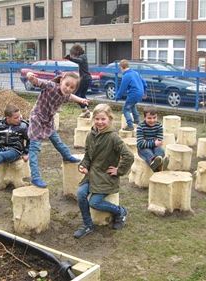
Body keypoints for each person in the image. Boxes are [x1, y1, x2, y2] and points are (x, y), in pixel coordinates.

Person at [74, 104, 134, 239]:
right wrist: (83, 165)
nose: (100, 122)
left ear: (110, 119)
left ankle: (120, 211)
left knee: (94, 202)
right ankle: (87, 225)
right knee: (80, 194)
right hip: (91, 176)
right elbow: (88, 156)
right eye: (97, 119)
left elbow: (128, 156)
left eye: (103, 119)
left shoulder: (113, 137)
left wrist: (119, 170)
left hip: (106, 177)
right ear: (93, 119)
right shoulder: (90, 135)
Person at [26, 71, 89, 188]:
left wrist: (81, 100)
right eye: (67, 84)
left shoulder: (66, 94)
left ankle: (66, 155)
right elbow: (38, 82)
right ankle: (35, 177)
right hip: (37, 119)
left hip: (48, 120)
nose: (68, 88)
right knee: (34, 148)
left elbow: (70, 96)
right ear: (61, 81)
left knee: (57, 140)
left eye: (72, 87)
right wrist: (30, 77)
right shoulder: (50, 86)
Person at [114, 59, 147, 131]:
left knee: (125, 109)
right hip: (140, 93)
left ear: (122, 67)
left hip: (133, 94)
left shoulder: (126, 76)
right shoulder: (135, 73)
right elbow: (144, 83)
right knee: (132, 106)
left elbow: (122, 88)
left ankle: (130, 125)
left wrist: (117, 97)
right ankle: (137, 121)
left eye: (120, 68)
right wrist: (145, 92)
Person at [137, 107, 169, 172]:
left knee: (160, 150)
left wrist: (147, 142)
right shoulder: (140, 127)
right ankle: (156, 164)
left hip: (154, 147)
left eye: (154, 117)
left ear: (157, 117)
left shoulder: (159, 126)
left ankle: (158, 163)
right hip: (143, 148)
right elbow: (140, 144)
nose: (152, 120)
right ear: (144, 118)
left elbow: (159, 142)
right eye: (149, 118)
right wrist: (154, 143)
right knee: (148, 152)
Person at [65, 44, 92, 118]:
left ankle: (85, 110)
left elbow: (79, 61)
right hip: (87, 78)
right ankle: (87, 110)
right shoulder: (84, 56)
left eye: (74, 53)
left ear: (77, 51)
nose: (74, 55)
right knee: (82, 95)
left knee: (76, 95)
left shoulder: (82, 57)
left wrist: (70, 58)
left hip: (84, 78)